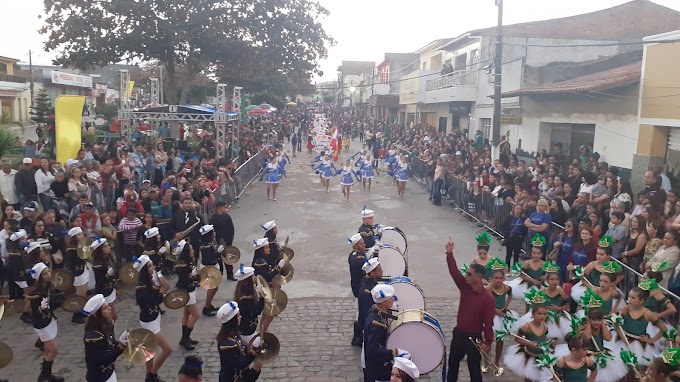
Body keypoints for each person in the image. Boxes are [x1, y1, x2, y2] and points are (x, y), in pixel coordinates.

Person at [445, 238, 495, 382]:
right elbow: (454, 272)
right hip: (459, 333)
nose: (466, 276)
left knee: (474, 369)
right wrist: (449, 254)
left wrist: (487, 343)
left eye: (469, 274)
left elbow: (488, 323)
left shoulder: (488, 299)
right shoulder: (465, 287)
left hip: (474, 338)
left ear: (479, 277)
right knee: (453, 365)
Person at [134, 254, 172, 382]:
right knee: (168, 350)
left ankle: (148, 376)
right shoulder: (141, 288)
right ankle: (152, 374)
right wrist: (161, 292)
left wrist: (158, 274)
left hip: (155, 318)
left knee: (150, 352)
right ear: (144, 270)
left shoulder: (150, 282)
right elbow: (157, 297)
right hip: (149, 323)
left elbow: (167, 286)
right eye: (150, 266)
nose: (153, 268)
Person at [26, 262, 65, 382]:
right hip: (41, 324)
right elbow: (35, 314)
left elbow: (55, 302)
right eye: (45, 274)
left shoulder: (50, 286)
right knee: (54, 351)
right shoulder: (35, 294)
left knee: (48, 351)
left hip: (49, 320)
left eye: (48, 272)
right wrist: (41, 308)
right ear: (39, 277)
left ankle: (47, 375)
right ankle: (43, 376)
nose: (48, 275)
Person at [363, 284, 406, 382]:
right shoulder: (377, 324)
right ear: (384, 302)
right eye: (391, 298)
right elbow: (371, 351)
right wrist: (394, 352)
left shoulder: (377, 309)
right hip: (378, 368)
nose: (393, 300)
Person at [81, 294, 128, 382]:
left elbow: (111, 343)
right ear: (96, 314)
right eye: (105, 308)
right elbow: (104, 359)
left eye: (108, 306)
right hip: (99, 378)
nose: (109, 308)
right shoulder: (93, 337)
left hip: (109, 372)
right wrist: (121, 347)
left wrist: (121, 342)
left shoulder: (108, 325)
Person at [215, 301, 262, 382]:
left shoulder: (233, 333)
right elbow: (240, 363)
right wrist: (254, 350)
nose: (240, 317)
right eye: (238, 315)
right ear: (232, 320)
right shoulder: (227, 344)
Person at [174, 239, 201, 351]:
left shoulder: (191, 261)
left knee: (186, 314)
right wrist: (191, 275)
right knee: (196, 314)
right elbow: (184, 279)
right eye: (190, 249)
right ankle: (185, 338)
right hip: (186, 291)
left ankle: (185, 337)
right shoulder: (181, 265)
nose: (192, 251)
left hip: (191, 289)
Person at [233, 264, 264, 345]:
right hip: (247, 332)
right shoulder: (247, 298)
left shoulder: (242, 292)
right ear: (248, 280)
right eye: (253, 276)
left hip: (247, 329)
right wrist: (262, 298)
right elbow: (257, 311)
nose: (255, 278)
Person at [65, 226, 89, 324]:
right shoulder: (71, 249)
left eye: (81, 233)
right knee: (80, 294)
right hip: (77, 273)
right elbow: (74, 261)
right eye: (79, 234)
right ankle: (76, 315)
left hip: (83, 270)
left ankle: (82, 310)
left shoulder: (80, 245)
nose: (81, 236)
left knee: (84, 293)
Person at [90, 237, 118, 322]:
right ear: (100, 250)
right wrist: (108, 275)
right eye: (105, 246)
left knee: (112, 316)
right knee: (112, 315)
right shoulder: (98, 263)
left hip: (111, 287)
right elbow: (100, 281)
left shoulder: (108, 258)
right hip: (104, 291)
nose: (109, 247)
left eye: (108, 245)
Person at [199, 224, 223, 317]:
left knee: (215, 287)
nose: (214, 233)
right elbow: (209, 258)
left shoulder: (211, 241)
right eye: (212, 232)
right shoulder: (205, 246)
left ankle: (209, 304)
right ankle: (206, 307)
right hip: (208, 268)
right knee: (212, 288)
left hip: (213, 266)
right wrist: (218, 252)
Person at [347, 233, 367, 347]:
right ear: (355, 245)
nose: (364, 245)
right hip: (360, 288)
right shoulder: (359, 259)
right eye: (361, 243)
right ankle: (358, 337)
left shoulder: (354, 255)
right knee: (361, 312)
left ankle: (357, 337)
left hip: (357, 286)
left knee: (360, 312)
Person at [210, 200, 236, 281]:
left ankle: (230, 275)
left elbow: (231, 229)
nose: (226, 208)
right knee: (218, 259)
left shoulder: (227, 217)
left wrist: (230, 240)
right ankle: (219, 274)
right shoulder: (213, 218)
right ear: (219, 208)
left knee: (228, 258)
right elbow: (212, 231)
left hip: (227, 241)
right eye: (225, 207)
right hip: (218, 242)